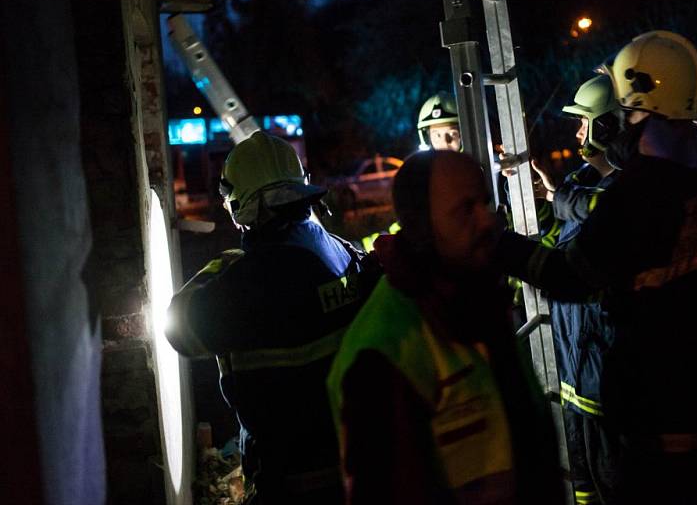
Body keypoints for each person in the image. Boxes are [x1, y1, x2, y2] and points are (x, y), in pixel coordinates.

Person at [497, 31, 697, 505]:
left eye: (626, 113)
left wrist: (496, 244)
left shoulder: (647, 189)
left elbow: (569, 276)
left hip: (662, 419)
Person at [327, 149, 563, 505]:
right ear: (422, 226)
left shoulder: (476, 299)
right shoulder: (383, 349)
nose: (486, 221)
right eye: (465, 209)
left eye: (485, 202)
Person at [165, 131, 378, 504]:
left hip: (288, 485)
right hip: (364, 472)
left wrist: (223, 266)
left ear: (239, 204)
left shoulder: (244, 280)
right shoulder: (346, 255)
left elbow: (180, 329)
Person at [529, 74, 623, 505]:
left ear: (608, 126)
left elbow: (610, 221)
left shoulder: (626, 189)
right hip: (576, 380)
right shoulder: (581, 185)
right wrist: (545, 213)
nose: (579, 133)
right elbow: (560, 250)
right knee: (584, 489)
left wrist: (562, 197)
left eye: (585, 123)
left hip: (608, 382)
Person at [360, 92, 462, 253]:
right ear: (426, 137)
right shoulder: (420, 175)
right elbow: (410, 220)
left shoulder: (479, 165)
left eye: (453, 134)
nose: (445, 142)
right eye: (437, 135)